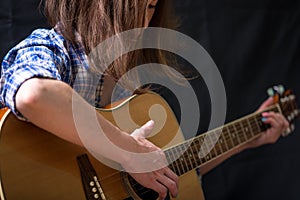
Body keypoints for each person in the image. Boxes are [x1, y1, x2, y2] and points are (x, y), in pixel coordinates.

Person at [0, 0, 289, 199]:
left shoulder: (127, 83)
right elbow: (33, 94)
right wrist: (128, 150)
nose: (143, 20)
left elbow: (163, 170)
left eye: (150, 7)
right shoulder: (51, 49)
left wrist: (249, 137)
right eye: (134, 5)